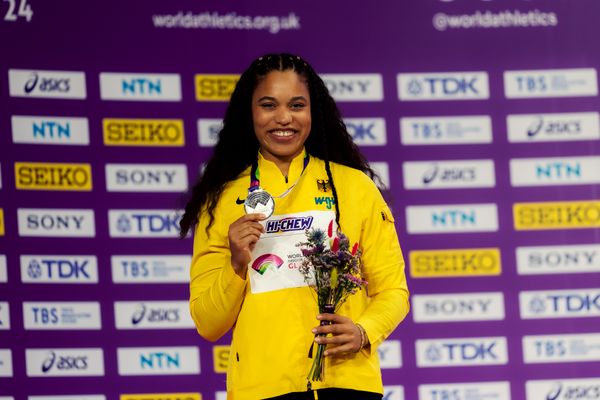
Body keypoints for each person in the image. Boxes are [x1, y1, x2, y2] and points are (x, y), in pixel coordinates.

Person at [180, 53, 409, 400]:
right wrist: (236, 266)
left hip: (345, 382)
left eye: (297, 105)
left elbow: (394, 291)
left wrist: (364, 331)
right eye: (268, 105)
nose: (284, 118)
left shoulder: (356, 187)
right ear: (250, 112)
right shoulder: (224, 200)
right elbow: (208, 323)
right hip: (261, 389)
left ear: (313, 112)